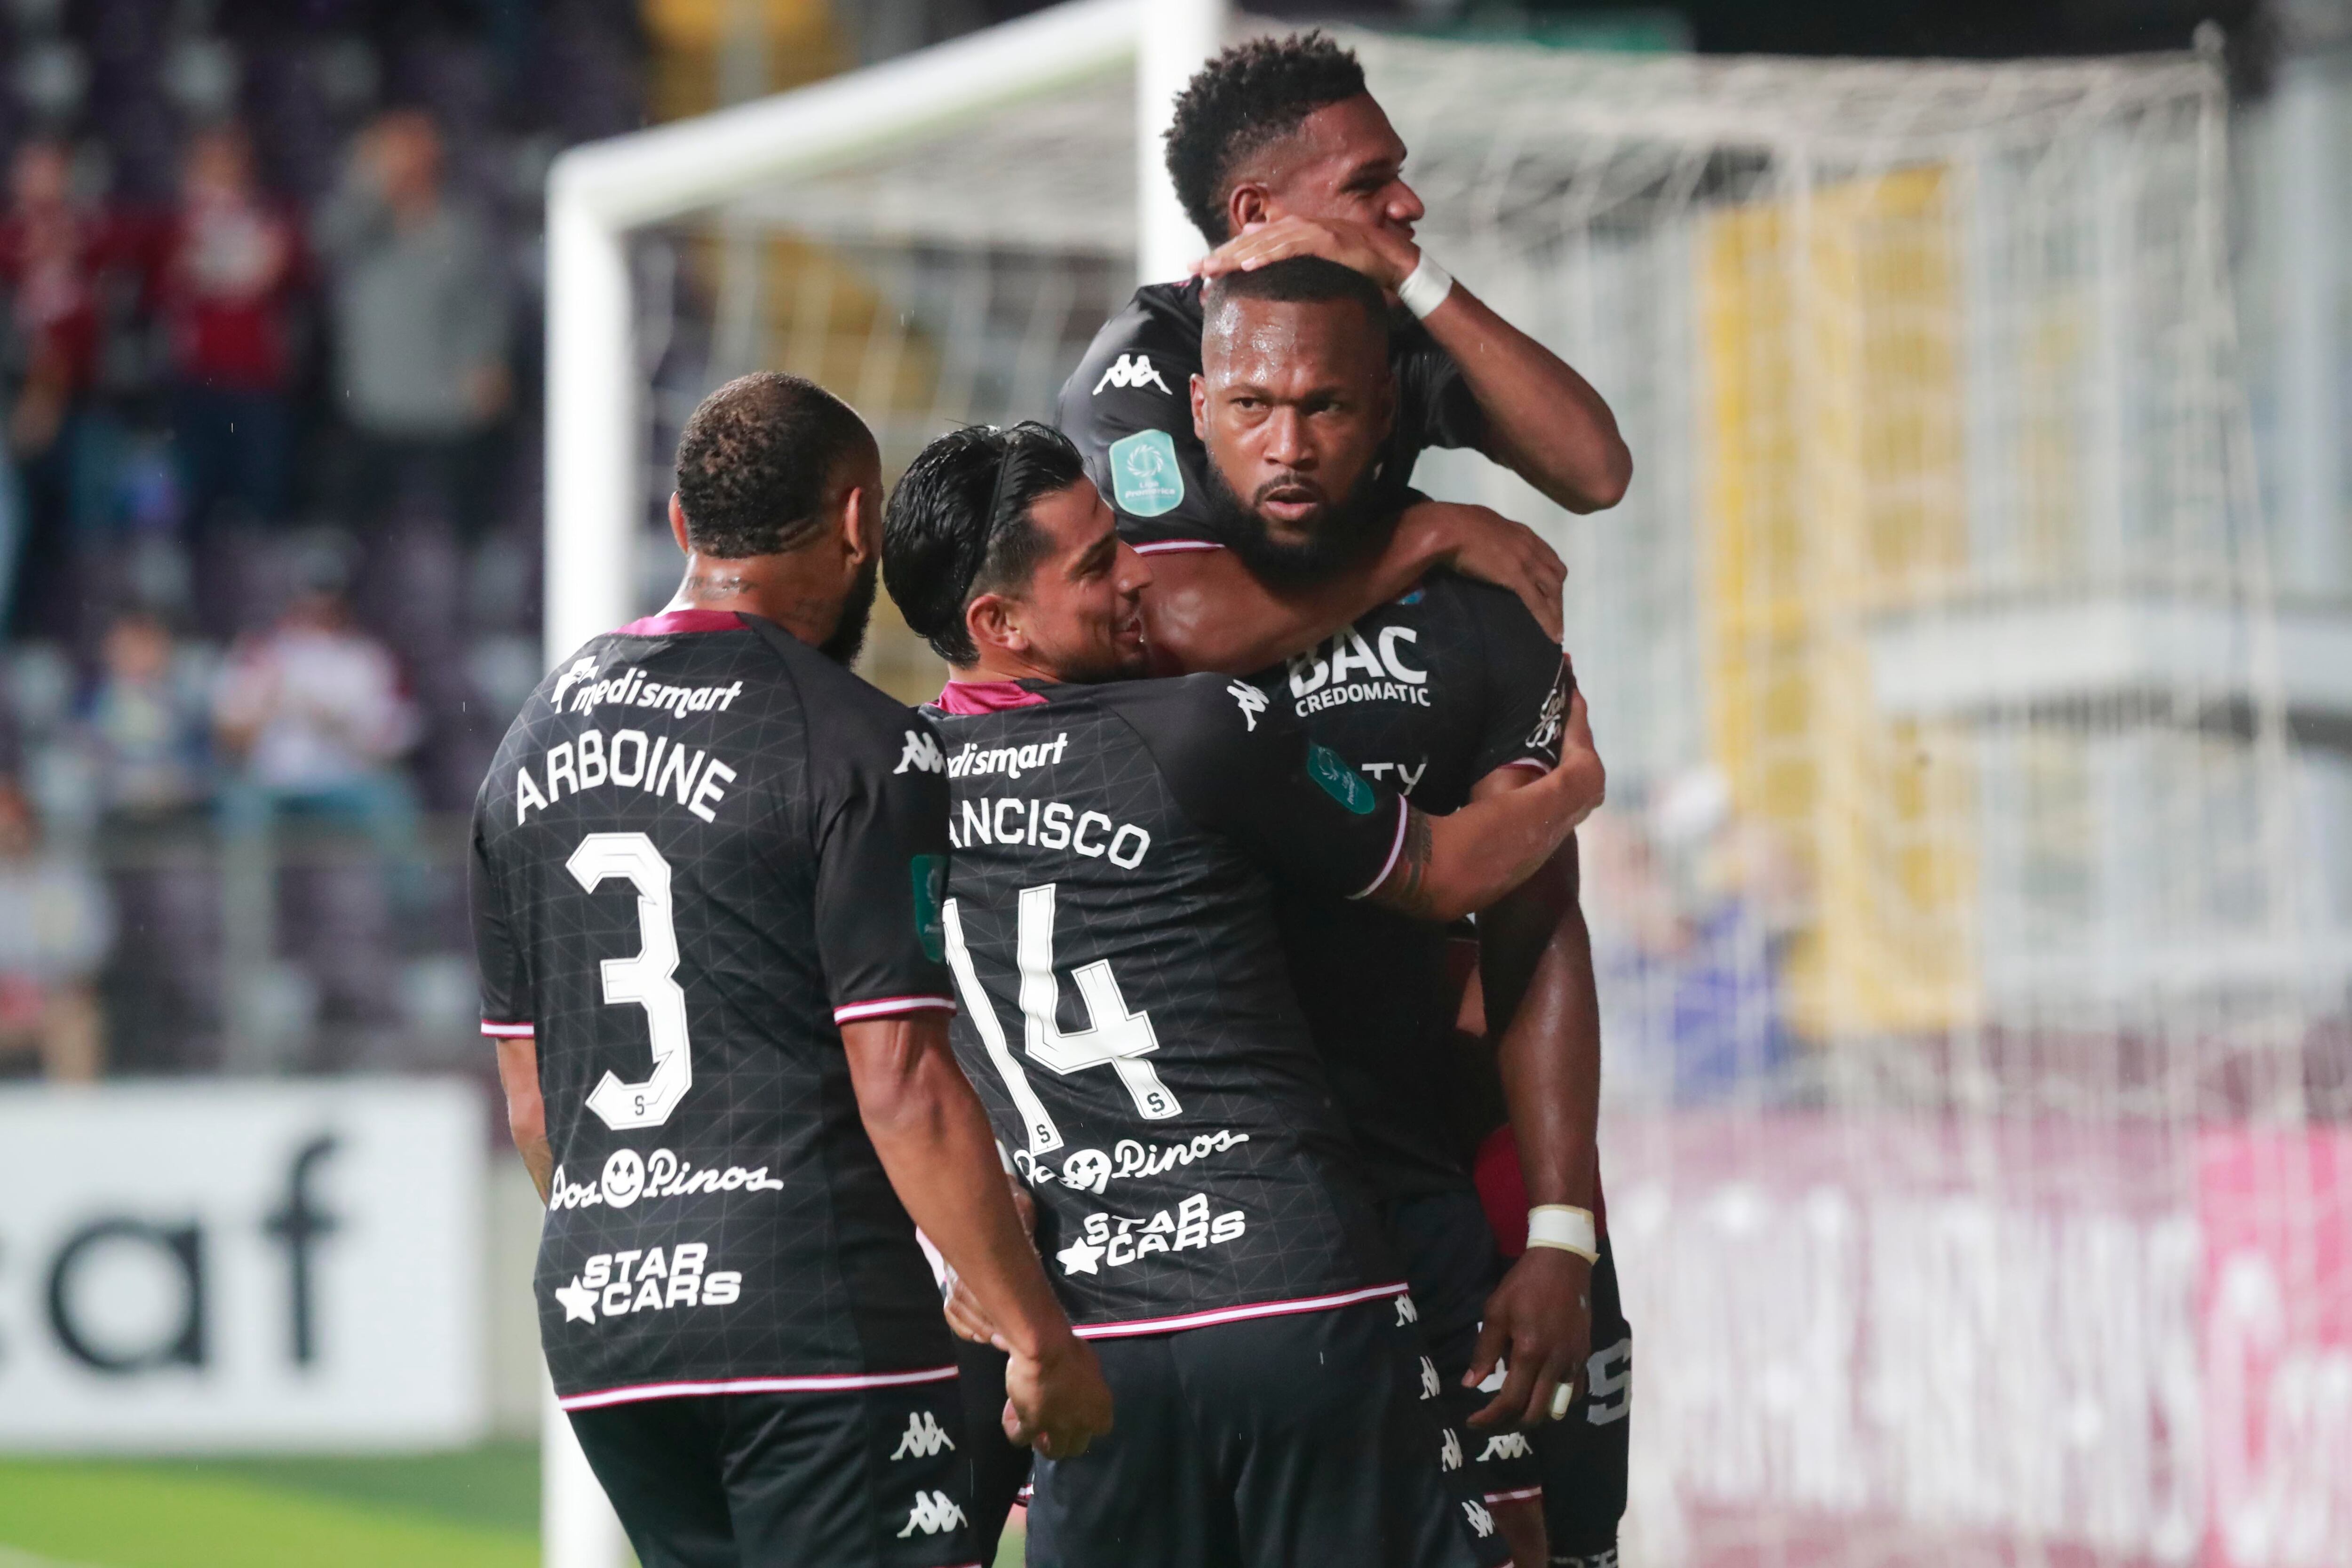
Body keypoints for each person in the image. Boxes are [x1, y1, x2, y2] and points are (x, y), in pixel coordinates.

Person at [879, 419, 1605, 1568]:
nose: (1139, 576)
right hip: (1294, 1300)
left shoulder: (885, 792)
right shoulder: (1196, 727)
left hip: (1091, 1337)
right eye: (1098, 564)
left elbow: (881, 1057)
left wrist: (954, 1233)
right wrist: (1571, 789)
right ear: (998, 623)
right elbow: (1446, 871)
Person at [468, 374, 1110, 1568]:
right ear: (859, 520)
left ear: (683, 525)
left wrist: (651, 1258)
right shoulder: (860, 741)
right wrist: (1035, 1333)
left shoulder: (526, 744)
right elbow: (903, 1079)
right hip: (810, 1316)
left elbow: (532, 1104)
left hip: (609, 1326)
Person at [1075, 253, 1634, 1567]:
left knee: (1538, 1538)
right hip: (1176, 1220)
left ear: (1387, 409)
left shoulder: (1483, 622)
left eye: (1326, 406)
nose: (1289, 444)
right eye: (1253, 406)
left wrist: (1559, 1234)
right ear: (1197, 408)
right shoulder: (1123, 633)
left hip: (1424, 1174)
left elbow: (1536, 924)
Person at [314, 109, 511, 536]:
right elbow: (323, 244)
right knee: (360, 537)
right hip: (371, 410)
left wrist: (488, 361)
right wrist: (366, 186)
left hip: (446, 412)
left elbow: (487, 305)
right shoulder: (357, 227)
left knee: (455, 534)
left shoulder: (461, 228)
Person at [157, 123, 309, 532]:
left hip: (259, 382)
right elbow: (170, 285)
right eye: (211, 163)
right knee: (196, 498)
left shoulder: (273, 219)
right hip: (199, 380)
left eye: (231, 162)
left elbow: (284, 274)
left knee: (266, 496)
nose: (222, 172)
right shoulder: (176, 225)